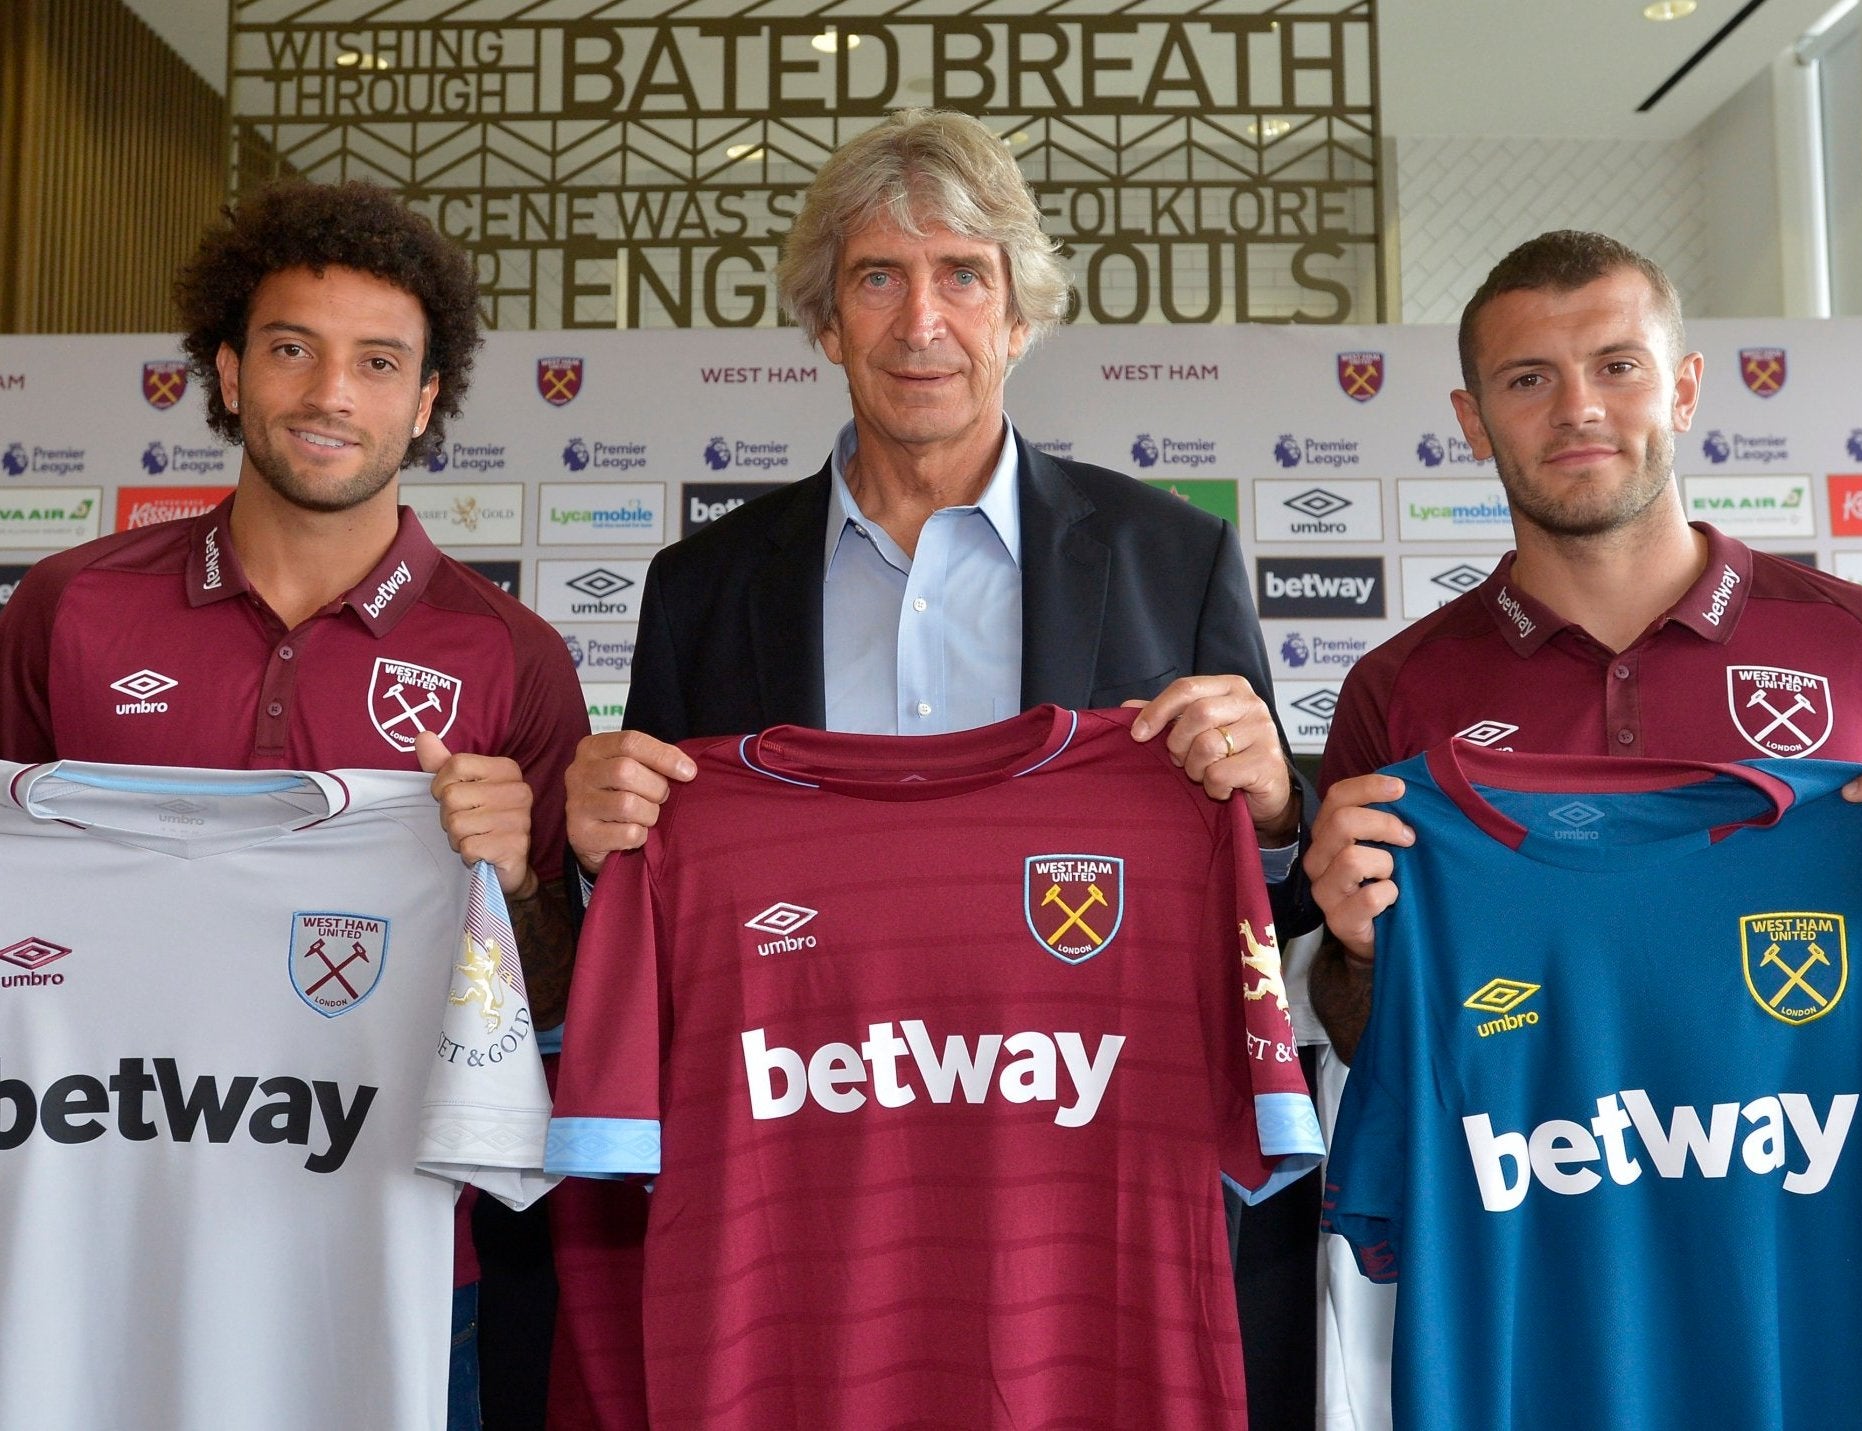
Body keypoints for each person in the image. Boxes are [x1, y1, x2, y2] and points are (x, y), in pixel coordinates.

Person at [556, 107, 1319, 1429]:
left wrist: (1275, 799)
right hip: (812, 1208)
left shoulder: (1168, 557)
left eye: (964, 274)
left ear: (1020, 313)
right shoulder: (702, 590)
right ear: (825, 320)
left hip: (1072, 1203)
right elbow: (659, 920)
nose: (923, 322)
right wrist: (591, 845)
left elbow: (1265, 896)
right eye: (878, 278)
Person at [0, 179, 589, 1431]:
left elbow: (559, 1001)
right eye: (290, 349)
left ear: (426, 402)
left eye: (379, 363)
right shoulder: (66, 610)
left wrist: (518, 885)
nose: (330, 395)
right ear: (225, 368)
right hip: (81, 1247)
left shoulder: (513, 659)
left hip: (395, 1266)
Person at [1301, 229, 1862, 1428]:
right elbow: (1377, 1038)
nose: (1579, 408)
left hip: (1813, 1304)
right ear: (1474, 423)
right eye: (1530, 379)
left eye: (1618, 365)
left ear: (1683, 386)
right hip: (1547, 1322)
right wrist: (1360, 952)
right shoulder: (1396, 690)